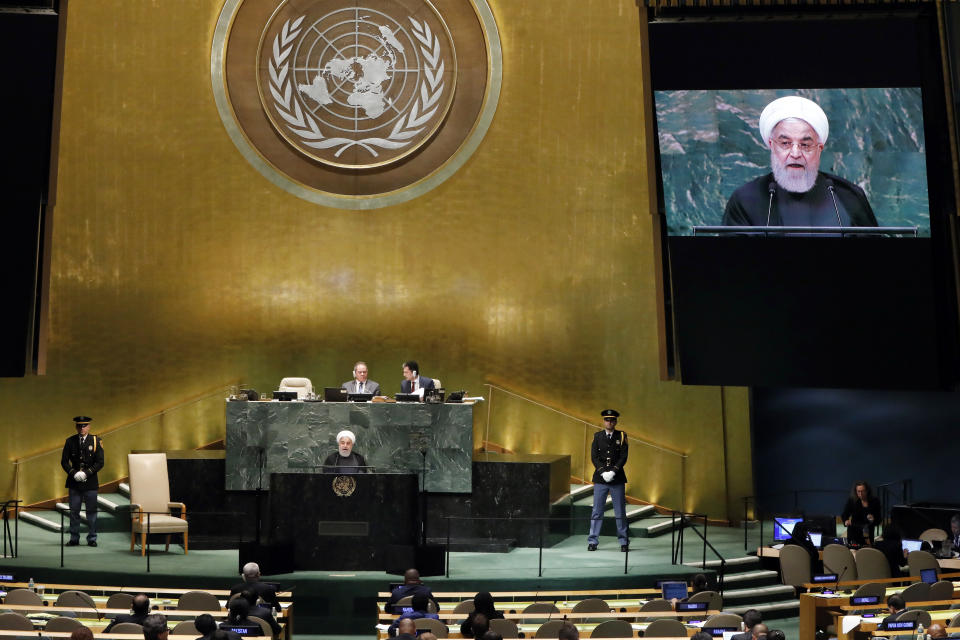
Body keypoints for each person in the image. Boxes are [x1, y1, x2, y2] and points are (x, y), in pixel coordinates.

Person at [723, 95, 877, 229]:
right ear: (772, 146)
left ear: (819, 148)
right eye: (785, 143)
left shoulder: (847, 197)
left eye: (805, 144)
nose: (795, 154)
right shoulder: (745, 200)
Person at [587, 409, 629, 552]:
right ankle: (593, 541)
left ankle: (623, 541)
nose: (609, 422)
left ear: (615, 422)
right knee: (597, 511)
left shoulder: (622, 436)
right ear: (603, 421)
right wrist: (603, 472)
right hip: (601, 478)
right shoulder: (597, 436)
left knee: (620, 512)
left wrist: (614, 471)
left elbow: (623, 456)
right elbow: (594, 456)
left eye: (612, 420)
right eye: (607, 420)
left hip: (617, 478)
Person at [59, 415, 105, 547]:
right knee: (74, 512)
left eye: (84, 425)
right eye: (79, 425)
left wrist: (86, 473)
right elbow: (64, 461)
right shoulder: (70, 441)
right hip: (74, 482)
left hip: (90, 482)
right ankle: (74, 538)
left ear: (89, 426)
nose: (82, 428)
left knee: (91, 512)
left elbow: (100, 462)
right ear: (76, 427)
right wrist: (74, 473)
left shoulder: (96, 441)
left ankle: (92, 538)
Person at [841, 481, 882, 545]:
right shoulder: (852, 500)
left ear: (867, 490)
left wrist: (873, 519)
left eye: (863, 491)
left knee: (867, 552)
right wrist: (845, 521)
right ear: (856, 491)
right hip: (854, 532)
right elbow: (844, 514)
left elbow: (879, 519)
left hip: (868, 533)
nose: (860, 493)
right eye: (858, 491)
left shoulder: (875, 501)